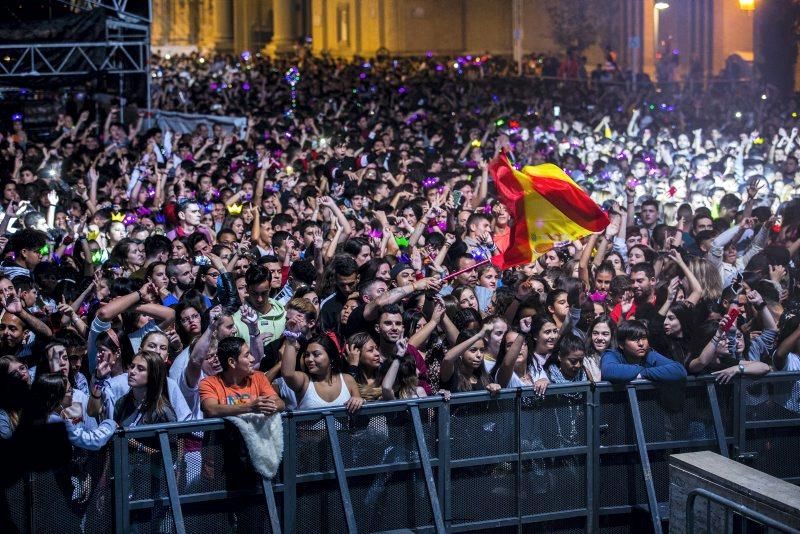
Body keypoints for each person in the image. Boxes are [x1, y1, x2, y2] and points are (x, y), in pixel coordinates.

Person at [199, 336, 284, 417]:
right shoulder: (209, 383)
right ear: (232, 362)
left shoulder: (259, 377)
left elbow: (280, 403)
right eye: (247, 355)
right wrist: (250, 407)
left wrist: (266, 406)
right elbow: (211, 409)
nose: (253, 359)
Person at [601, 320, 687, 383]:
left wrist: (643, 373)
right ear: (621, 344)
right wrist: (650, 372)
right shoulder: (612, 354)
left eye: (644, 338)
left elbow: (679, 370)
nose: (641, 343)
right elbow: (609, 371)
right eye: (634, 339)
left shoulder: (649, 354)